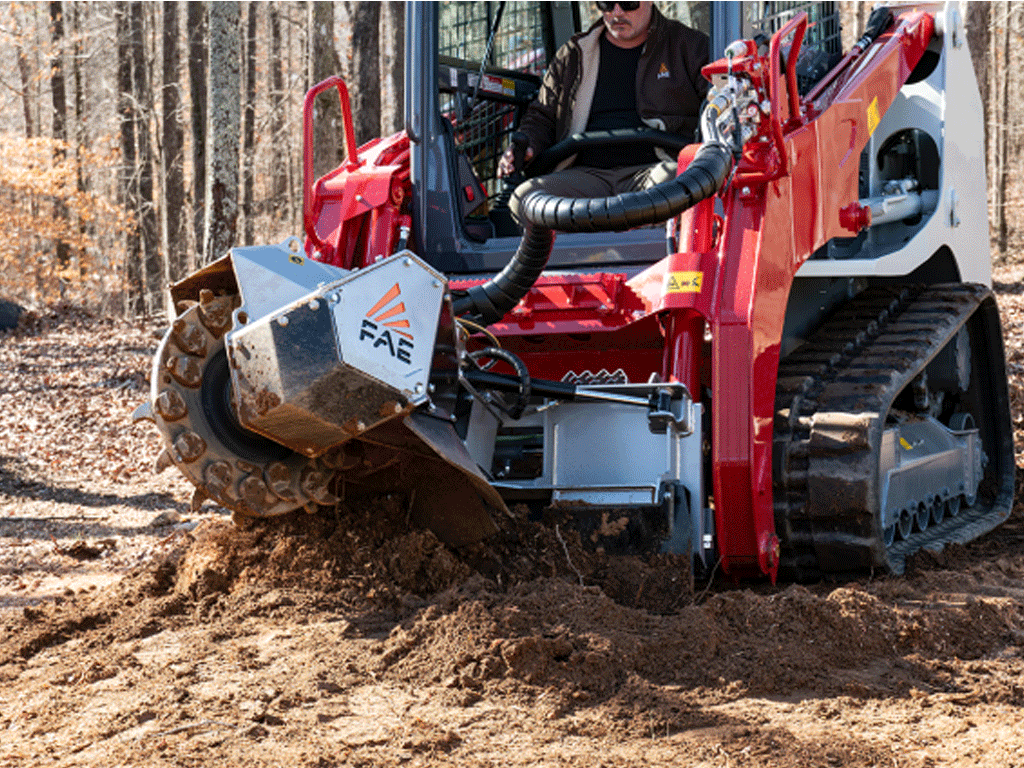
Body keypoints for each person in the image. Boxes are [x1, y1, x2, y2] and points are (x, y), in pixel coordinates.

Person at [497, 1, 710, 223]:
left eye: (628, 3)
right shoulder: (573, 54)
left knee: (678, 187)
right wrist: (528, 145)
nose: (617, 12)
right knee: (525, 199)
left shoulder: (690, 47)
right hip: (586, 176)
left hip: (654, 170)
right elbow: (542, 116)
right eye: (607, 3)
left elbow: (717, 105)